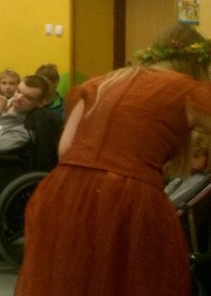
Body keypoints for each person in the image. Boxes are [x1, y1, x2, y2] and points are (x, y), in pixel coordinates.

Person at [17, 24, 211, 296]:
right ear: (198, 65)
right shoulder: (188, 91)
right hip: (129, 196)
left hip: (64, 191)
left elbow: (65, 148)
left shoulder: (102, 83)